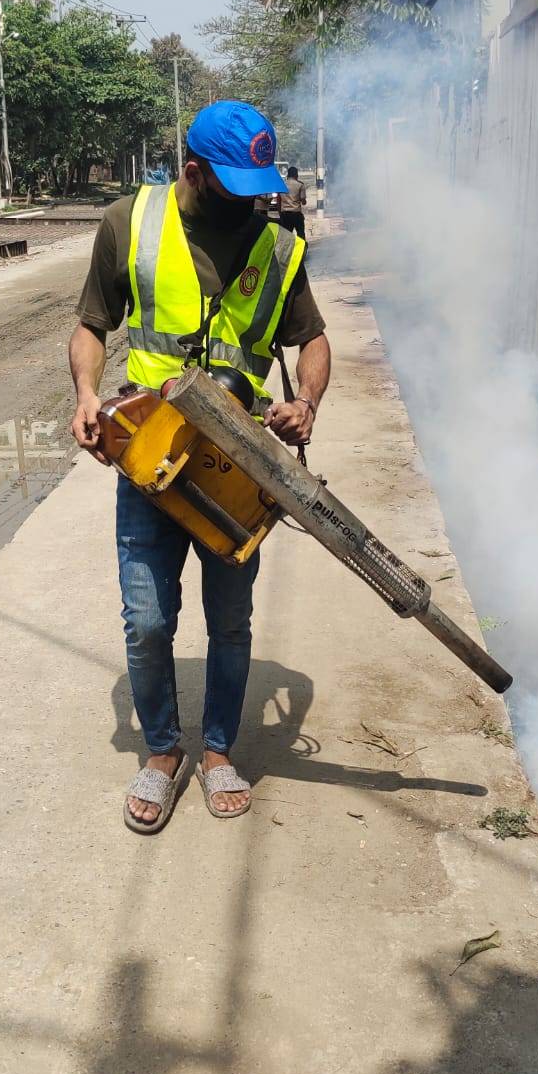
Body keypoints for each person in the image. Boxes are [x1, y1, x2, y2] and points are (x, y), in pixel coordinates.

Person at [69, 100, 332, 834]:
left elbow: (312, 340)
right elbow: (91, 324)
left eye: (259, 187)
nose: (253, 202)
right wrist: (86, 393)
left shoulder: (278, 248)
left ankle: (217, 750)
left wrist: (306, 403)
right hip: (149, 458)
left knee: (230, 621)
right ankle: (162, 751)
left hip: (234, 466)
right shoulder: (128, 223)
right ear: (193, 170)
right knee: (147, 621)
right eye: (236, 186)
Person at [277, 164, 308, 239]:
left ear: (288, 174)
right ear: (296, 175)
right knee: (300, 235)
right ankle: (301, 246)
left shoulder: (281, 185)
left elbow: (278, 201)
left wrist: (280, 213)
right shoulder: (300, 185)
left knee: (286, 236)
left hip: (285, 214)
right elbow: (303, 202)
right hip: (296, 214)